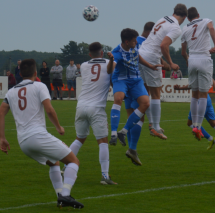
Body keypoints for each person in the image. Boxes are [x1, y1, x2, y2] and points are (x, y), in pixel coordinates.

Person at [0, 59, 84, 208]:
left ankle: (60, 197)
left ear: (19, 73)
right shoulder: (39, 85)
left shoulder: (11, 91)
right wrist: (59, 127)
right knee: (73, 161)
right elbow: (49, 109)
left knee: (54, 162)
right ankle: (66, 196)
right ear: (36, 73)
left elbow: (1, 113)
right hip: (37, 136)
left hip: (23, 142)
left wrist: (2, 138)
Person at [63, 42, 117, 184]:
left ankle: (64, 166)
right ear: (102, 52)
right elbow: (112, 76)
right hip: (96, 107)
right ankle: (105, 176)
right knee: (103, 142)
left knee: (79, 138)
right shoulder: (110, 63)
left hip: (81, 106)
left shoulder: (84, 66)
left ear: (89, 54)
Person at [109, 28, 162, 164]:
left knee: (145, 103)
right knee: (118, 98)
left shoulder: (135, 44)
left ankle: (124, 132)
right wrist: (110, 62)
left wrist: (150, 66)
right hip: (121, 80)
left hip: (136, 80)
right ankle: (114, 133)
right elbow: (111, 69)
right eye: (133, 41)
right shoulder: (117, 53)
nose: (136, 43)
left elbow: (137, 57)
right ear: (127, 42)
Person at [139, 4, 187, 139]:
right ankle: (155, 127)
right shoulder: (176, 28)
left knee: (146, 91)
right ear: (184, 17)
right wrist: (171, 63)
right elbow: (163, 45)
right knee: (156, 94)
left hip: (141, 53)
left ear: (174, 12)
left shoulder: (163, 18)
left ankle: (151, 125)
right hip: (151, 56)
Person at [181, 7, 215, 140]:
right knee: (203, 95)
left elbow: (183, 51)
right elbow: (211, 28)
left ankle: (195, 126)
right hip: (204, 58)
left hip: (192, 60)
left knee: (194, 95)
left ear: (188, 18)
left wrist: (187, 60)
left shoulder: (185, 28)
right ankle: (197, 125)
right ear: (198, 15)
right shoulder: (206, 20)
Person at [174, 80, 215, 153]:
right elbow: (214, 83)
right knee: (213, 123)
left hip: (199, 102)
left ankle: (210, 138)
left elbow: (192, 85)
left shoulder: (196, 70)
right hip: (207, 99)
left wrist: (179, 88)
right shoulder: (206, 71)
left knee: (190, 123)